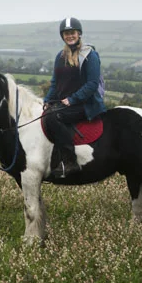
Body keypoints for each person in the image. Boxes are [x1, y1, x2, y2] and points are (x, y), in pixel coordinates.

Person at [42, 17, 106, 178]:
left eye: (72, 33)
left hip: (86, 103)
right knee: (45, 115)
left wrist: (72, 99)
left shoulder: (90, 55)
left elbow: (92, 84)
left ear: (79, 34)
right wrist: (47, 100)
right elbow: (56, 83)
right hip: (64, 103)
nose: (69, 36)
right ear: (62, 36)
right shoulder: (60, 56)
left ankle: (70, 161)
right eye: (66, 33)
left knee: (54, 117)